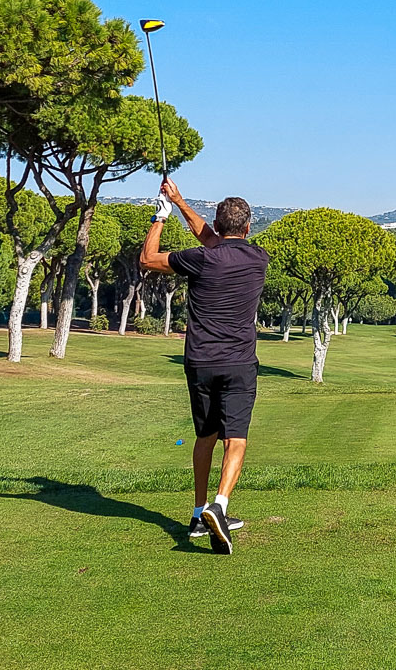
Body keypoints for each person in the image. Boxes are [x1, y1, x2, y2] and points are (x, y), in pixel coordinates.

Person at [140, 177, 268, 555]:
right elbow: (213, 238)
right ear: (247, 228)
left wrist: (162, 215)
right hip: (239, 361)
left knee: (206, 436)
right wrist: (178, 203)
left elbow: (148, 258)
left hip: (200, 362)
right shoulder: (258, 257)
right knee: (236, 438)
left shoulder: (200, 259)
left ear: (218, 222)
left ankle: (198, 514)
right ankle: (220, 505)